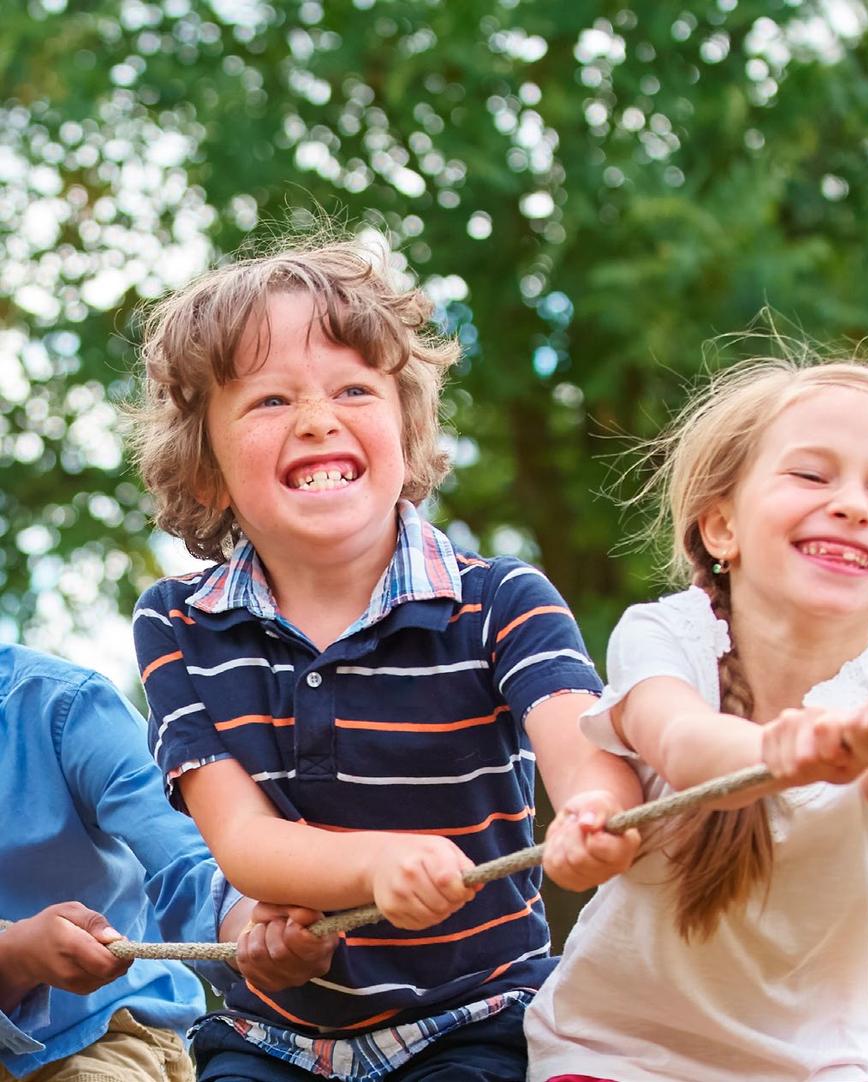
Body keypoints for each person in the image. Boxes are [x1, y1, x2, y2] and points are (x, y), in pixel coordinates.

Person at [129, 240, 643, 1081]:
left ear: (405, 429)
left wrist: (597, 815)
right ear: (208, 470)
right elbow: (245, 841)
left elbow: (583, 750)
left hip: (475, 1018)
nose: (318, 419)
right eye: (268, 400)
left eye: (355, 389)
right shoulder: (179, 624)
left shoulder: (502, 602)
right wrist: (375, 863)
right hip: (273, 1042)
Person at [524, 355, 868, 1082]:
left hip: (815, 1066)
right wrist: (777, 751)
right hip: (612, 1052)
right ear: (721, 526)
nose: (854, 504)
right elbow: (681, 741)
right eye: (814, 476)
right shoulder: (664, 635)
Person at [0, 641, 334, 1081]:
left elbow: (187, 853)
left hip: (100, 1037)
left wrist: (252, 928)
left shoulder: (63, 704)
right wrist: (17, 957)